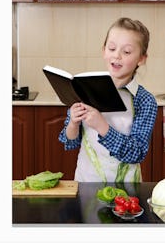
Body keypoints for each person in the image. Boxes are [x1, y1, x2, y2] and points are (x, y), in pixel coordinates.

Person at [59, 17, 158, 182]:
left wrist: (102, 126)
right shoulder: (86, 89)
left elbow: (137, 153)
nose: (117, 56)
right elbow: (70, 143)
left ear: (141, 58)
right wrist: (73, 123)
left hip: (126, 191)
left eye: (126, 52)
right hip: (85, 184)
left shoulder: (145, 100)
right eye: (112, 48)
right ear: (104, 50)